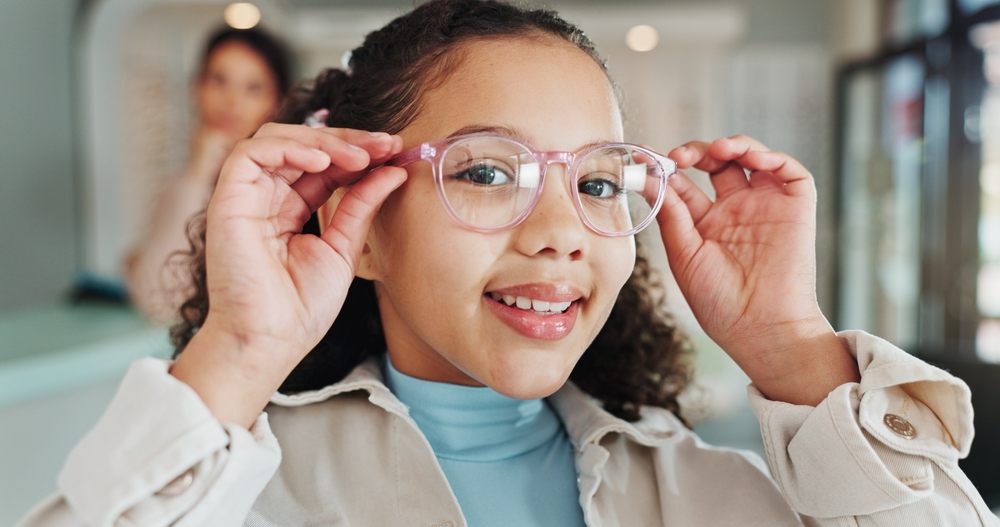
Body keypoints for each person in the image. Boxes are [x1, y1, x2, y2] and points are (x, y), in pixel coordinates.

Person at [19, 0, 999, 525]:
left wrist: (788, 343)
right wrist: (236, 349)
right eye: (490, 170)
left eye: (600, 182)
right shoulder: (246, 491)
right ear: (362, 223)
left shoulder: (712, 496)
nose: (562, 228)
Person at [123, 26, 292, 323]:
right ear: (196, 88)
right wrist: (198, 175)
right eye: (218, 80)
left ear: (277, 103)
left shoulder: (283, 192)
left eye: (253, 88)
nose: (231, 100)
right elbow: (153, 298)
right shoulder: (181, 185)